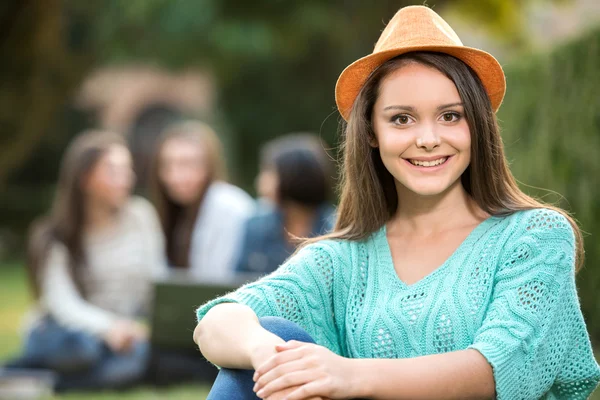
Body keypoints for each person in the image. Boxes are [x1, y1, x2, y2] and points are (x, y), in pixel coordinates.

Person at [192, 6, 600, 400]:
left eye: (450, 116)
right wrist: (266, 355)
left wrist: (348, 375)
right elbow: (214, 324)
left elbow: (500, 367)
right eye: (402, 119)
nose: (427, 138)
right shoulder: (342, 260)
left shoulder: (534, 236)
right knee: (273, 335)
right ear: (372, 132)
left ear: (477, 125)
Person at [5, 130, 166, 392]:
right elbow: (63, 305)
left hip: (120, 335)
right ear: (85, 178)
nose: (127, 179)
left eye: (128, 170)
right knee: (83, 350)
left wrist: (148, 327)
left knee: (136, 363)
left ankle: (29, 381)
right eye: (114, 171)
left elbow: (156, 281)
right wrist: (109, 327)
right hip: (63, 332)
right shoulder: (55, 235)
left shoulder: (141, 216)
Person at [149, 120, 254, 282]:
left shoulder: (229, 206)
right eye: (168, 165)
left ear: (209, 166)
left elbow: (215, 283)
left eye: (187, 164)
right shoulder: (179, 213)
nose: (175, 175)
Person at [236, 134, 335, 276]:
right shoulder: (255, 226)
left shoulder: (336, 231)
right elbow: (235, 282)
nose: (260, 181)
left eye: (268, 172)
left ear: (294, 176)